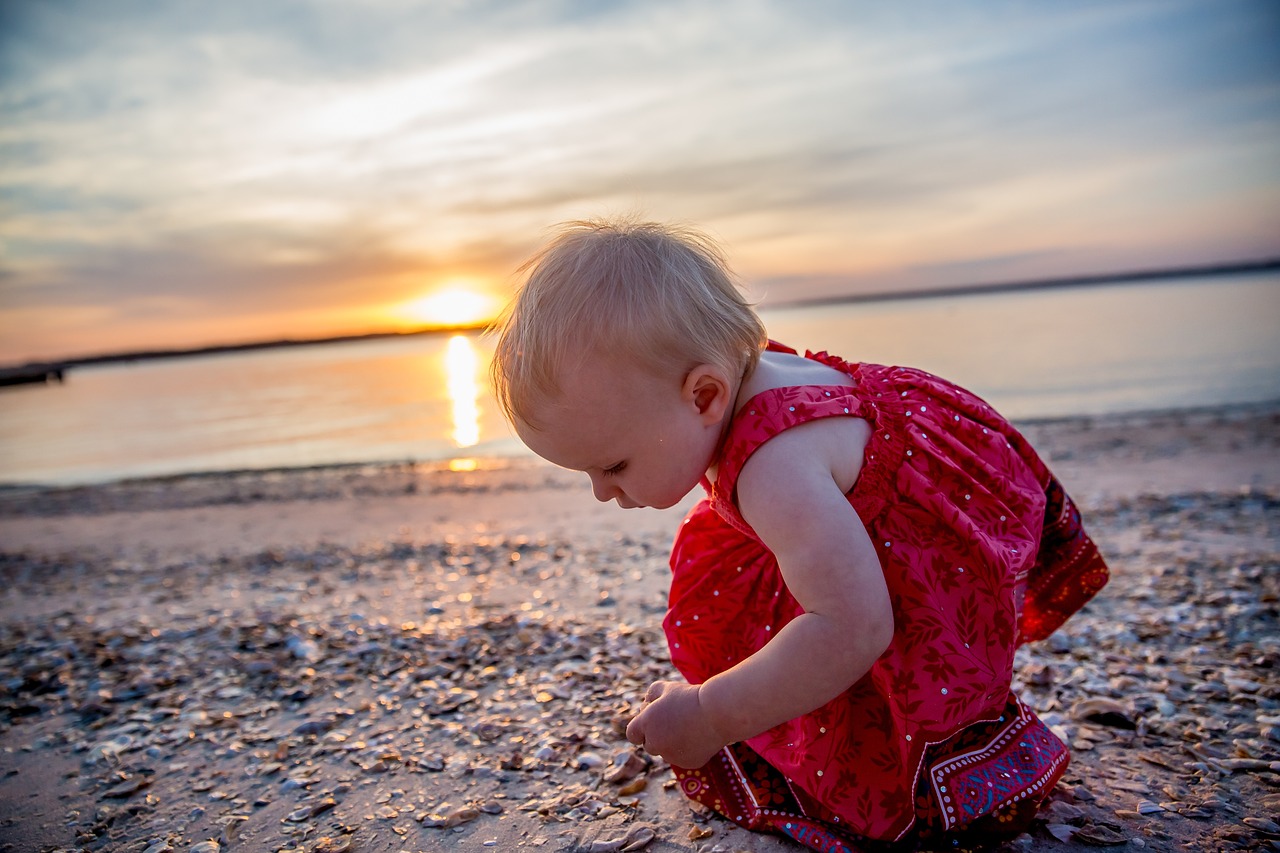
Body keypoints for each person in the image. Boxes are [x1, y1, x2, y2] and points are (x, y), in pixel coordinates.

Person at [489, 217, 1109, 851]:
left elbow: (853, 626)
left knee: (858, 652)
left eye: (613, 465)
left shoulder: (775, 468)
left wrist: (710, 715)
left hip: (925, 549)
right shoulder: (745, 379)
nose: (601, 491)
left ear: (704, 396)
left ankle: (932, 768)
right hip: (876, 506)